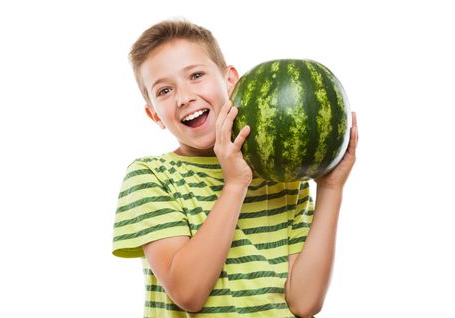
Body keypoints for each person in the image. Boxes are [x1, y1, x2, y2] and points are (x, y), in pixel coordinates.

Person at [112, 19, 358, 317]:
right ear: (155, 115)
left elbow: (305, 303)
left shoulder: (281, 175)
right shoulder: (151, 176)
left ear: (231, 81)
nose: (184, 97)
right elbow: (188, 293)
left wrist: (331, 187)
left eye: (196, 75)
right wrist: (234, 185)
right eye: (164, 91)